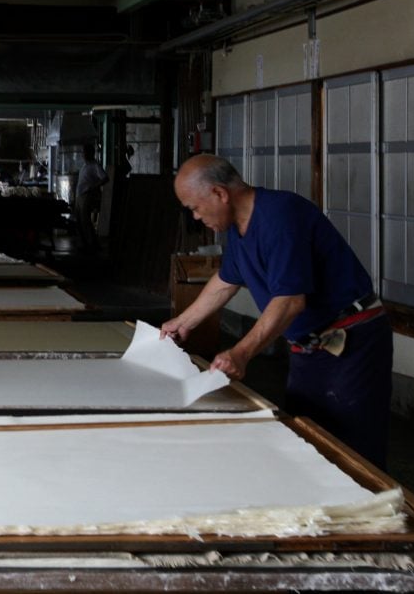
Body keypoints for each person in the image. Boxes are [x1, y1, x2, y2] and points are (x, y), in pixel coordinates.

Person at [161, 154, 393, 469]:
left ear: (219, 193)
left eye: (195, 208)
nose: (196, 217)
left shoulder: (280, 216)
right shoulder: (238, 228)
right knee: (306, 436)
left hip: (349, 341)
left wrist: (242, 352)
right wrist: (183, 322)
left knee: (351, 448)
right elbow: (227, 280)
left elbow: (290, 301)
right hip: (308, 347)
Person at [74, 143, 108, 251]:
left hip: (86, 196)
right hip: (79, 196)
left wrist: (93, 186)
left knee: (85, 221)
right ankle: (84, 243)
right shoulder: (85, 165)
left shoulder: (95, 165)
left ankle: (92, 244)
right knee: (79, 220)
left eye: (84, 152)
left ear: (89, 153)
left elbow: (105, 178)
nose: (82, 154)